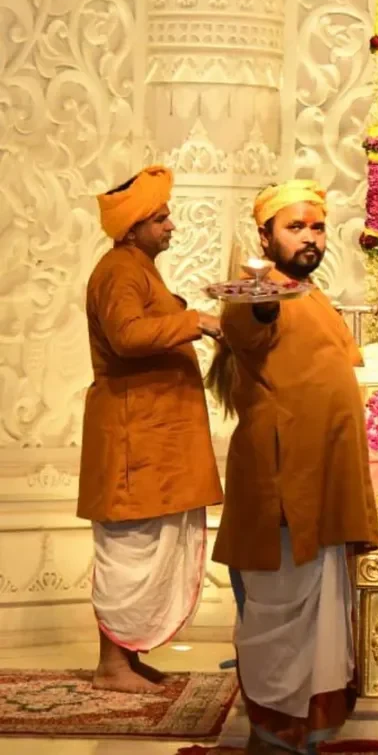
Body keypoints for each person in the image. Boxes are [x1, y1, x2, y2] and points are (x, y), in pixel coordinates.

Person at [211, 179, 378, 755]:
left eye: (317, 227)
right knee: (277, 608)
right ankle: (272, 736)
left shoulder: (310, 293)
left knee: (319, 614)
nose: (310, 237)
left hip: (324, 477)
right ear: (264, 237)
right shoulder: (259, 295)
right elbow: (247, 325)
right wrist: (259, 295)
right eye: (295, 227)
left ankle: (304, 733)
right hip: (282, 481)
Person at [78, 165, 223, 693]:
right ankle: (111, 665)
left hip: (150, 439)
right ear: (132, 227)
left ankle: (128, 657)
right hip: (131, 440)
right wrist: (195, 320)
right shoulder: (120, 269)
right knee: (129, 550)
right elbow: (127, 336)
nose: (171, 226)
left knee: (145, 546)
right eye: (160, 218)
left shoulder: (137, 267)